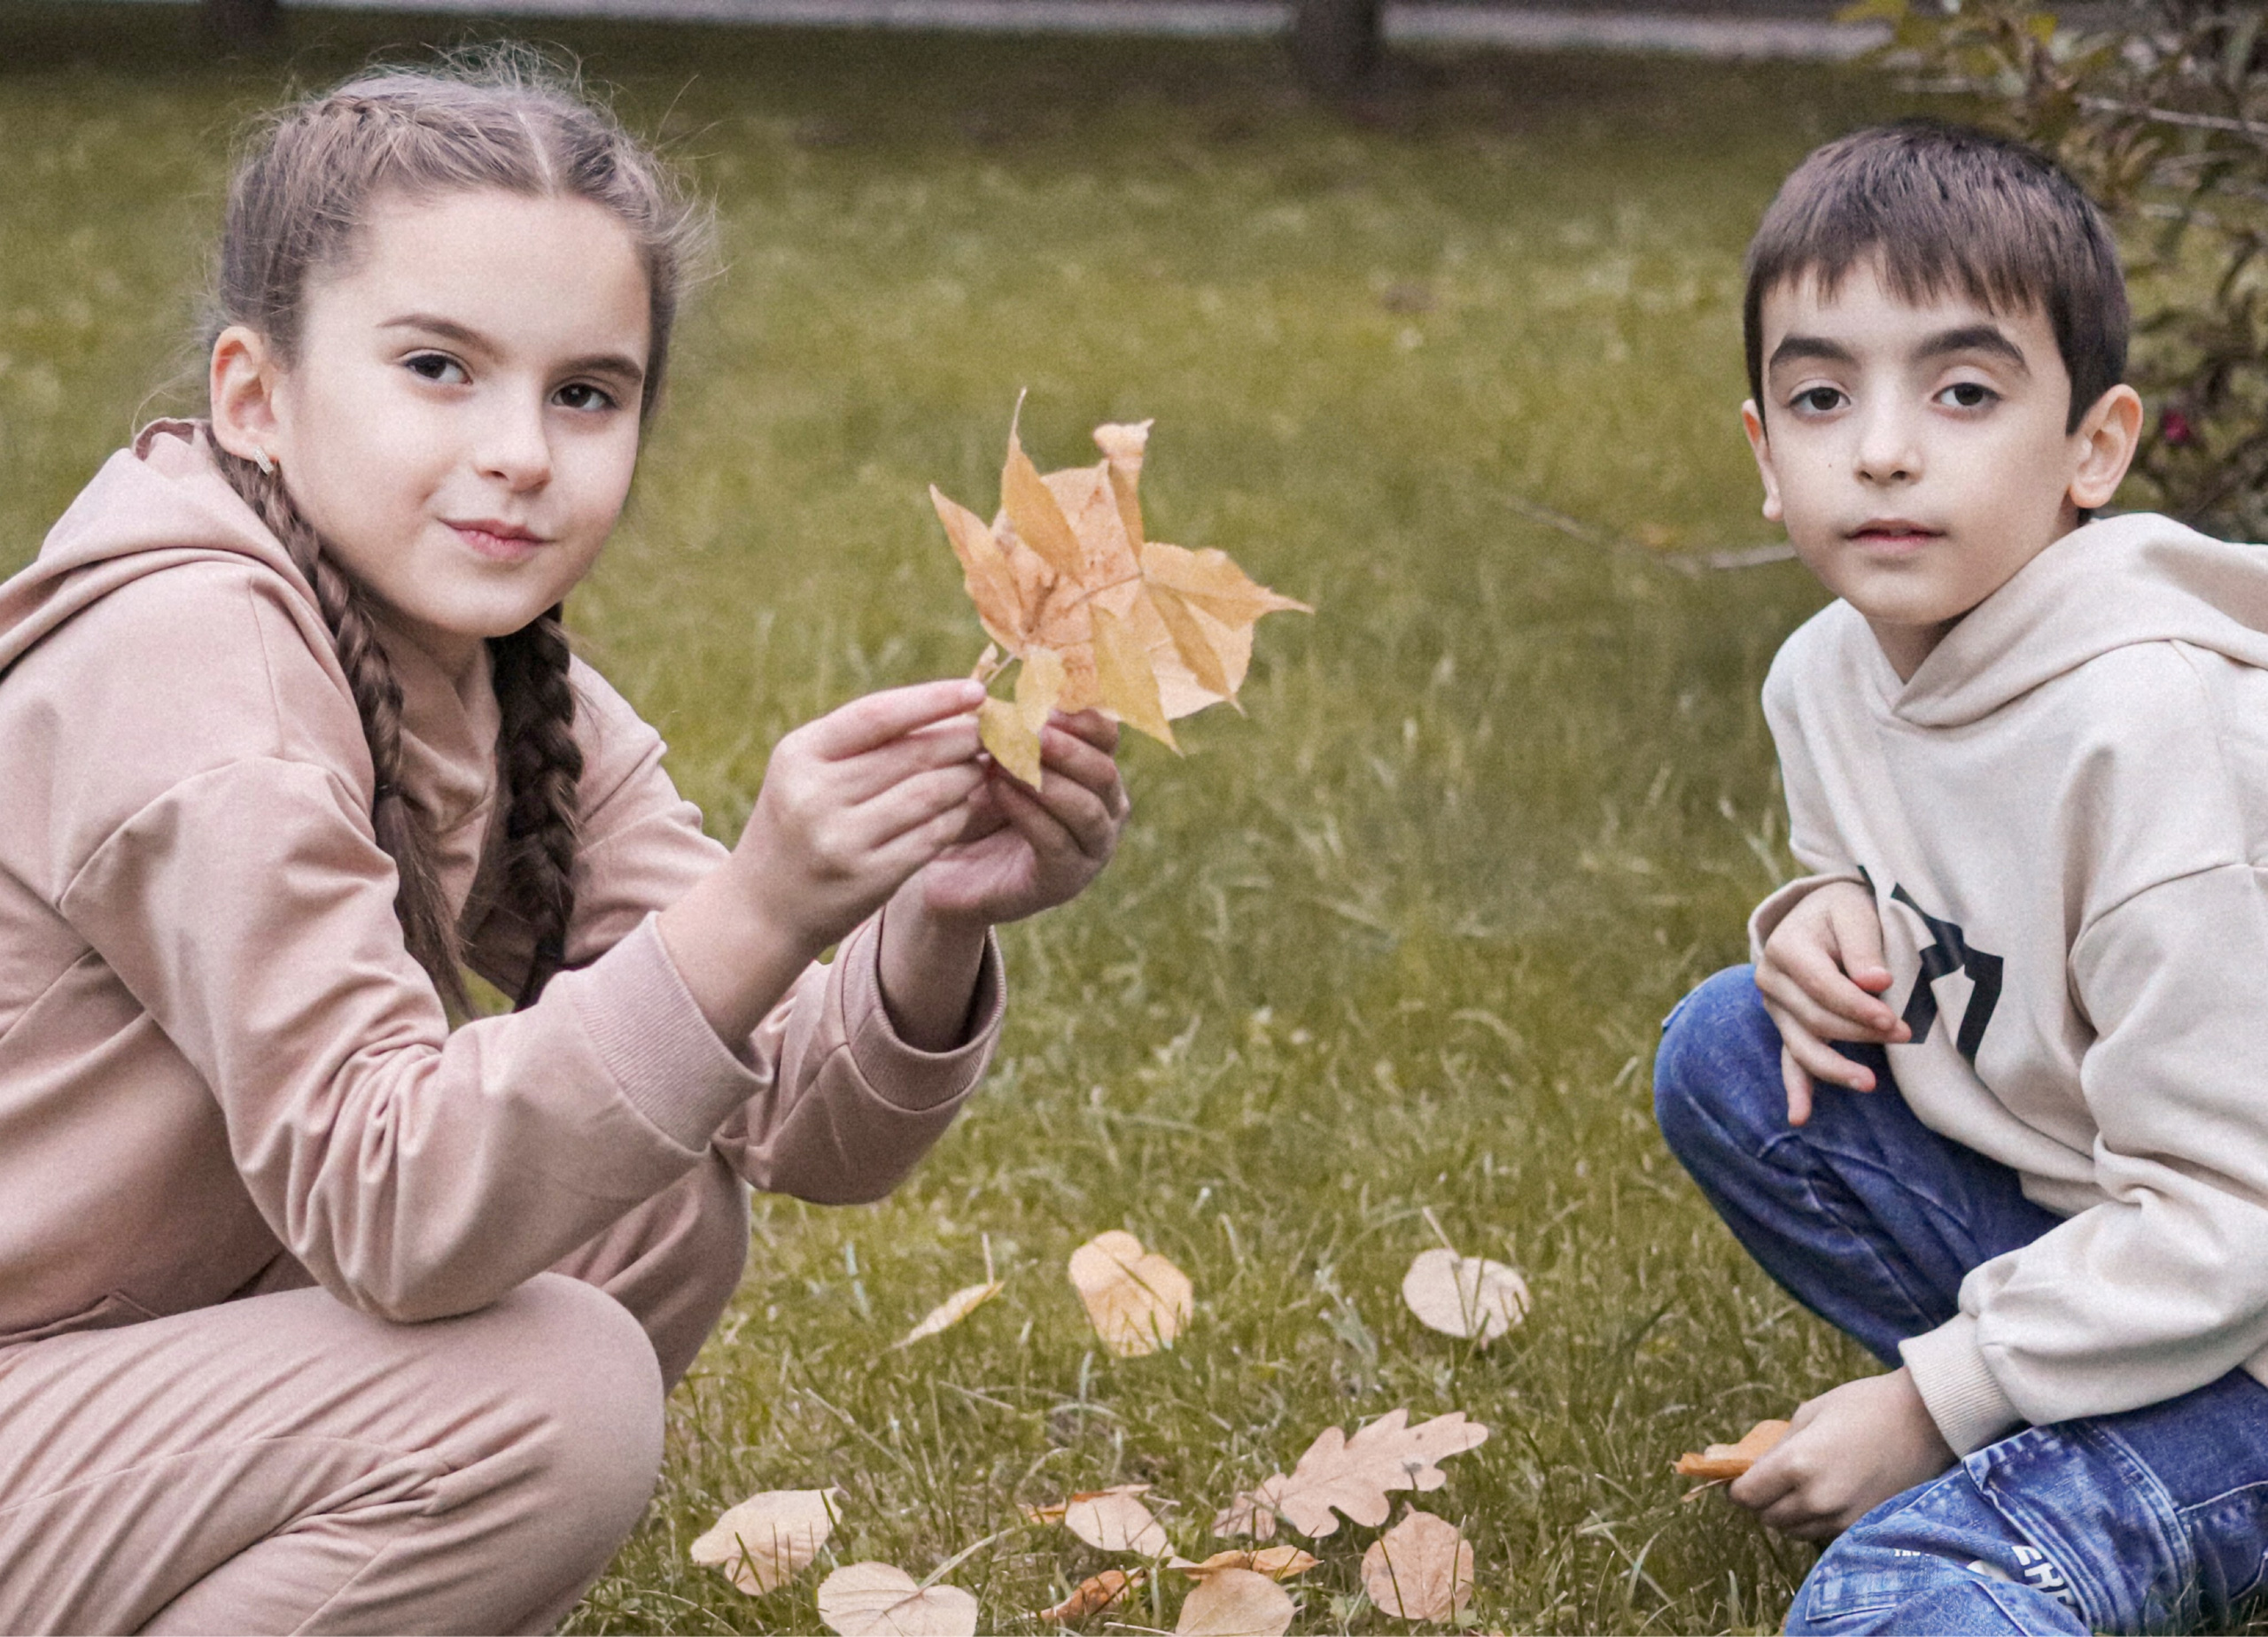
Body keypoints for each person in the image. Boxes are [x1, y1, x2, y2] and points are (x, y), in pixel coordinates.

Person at [0, 50, 1129, 1635]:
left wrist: (926, 916)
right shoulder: (198, 668)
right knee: (550, 1390)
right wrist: (762, 902)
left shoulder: (494, 678)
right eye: (439, 369)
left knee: (649, 1200)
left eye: (585, 391)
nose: (524, 450)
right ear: (255, 396)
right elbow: (390, 1200)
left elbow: (808, 1133)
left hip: (120, 1343)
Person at [1652, 120, 2268, 1634]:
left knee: (1909, 1594)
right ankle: (2068, 1413)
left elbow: (2239, 1214)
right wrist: (1818, 924)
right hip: (2111, 1227)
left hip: (2249, 1314)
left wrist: (1938, 1403)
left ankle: (2106, 1482)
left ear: (2095, 450)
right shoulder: (1826, 676)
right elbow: (1905, 880)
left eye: (1965, 392)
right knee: (1729, 1048)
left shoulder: (2149, 734)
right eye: (1820, 395)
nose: (1880, 447)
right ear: (1763, 455)